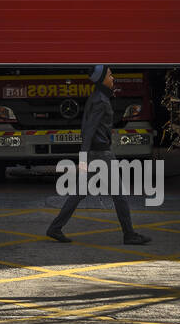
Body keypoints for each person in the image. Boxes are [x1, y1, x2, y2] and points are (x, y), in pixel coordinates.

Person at [47, 64, 151, 245]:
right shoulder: (100, 101)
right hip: (101, 154)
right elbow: (88, 129)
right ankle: (129, 234)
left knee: (79, 193)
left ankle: (55, 228)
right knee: (119, 195)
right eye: (110, 75)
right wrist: (83, 157)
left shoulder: (97, 97)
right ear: (102, 78)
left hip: (96, 153)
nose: (113, 78)